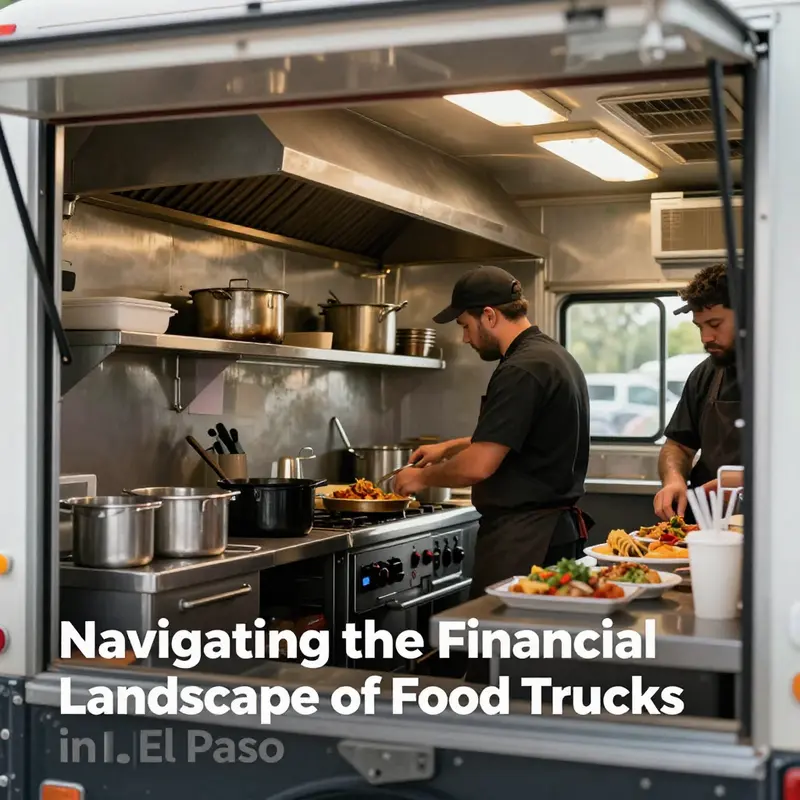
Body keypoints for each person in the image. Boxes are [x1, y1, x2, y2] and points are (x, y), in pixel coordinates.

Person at [393, 265, 592, 596]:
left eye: (465, 326)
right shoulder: (552, 356)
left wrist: (420, 478)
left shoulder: (520, 369)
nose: (465, 337)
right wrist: (453, 447)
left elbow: (478, 466)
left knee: (499, 642)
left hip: (524, 540)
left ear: (488, 315)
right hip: (553, 534)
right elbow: (522, 434)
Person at [654, 263, 743, 521]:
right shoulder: (705, 375)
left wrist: (738, 482)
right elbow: (678, 446)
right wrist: (673, 480)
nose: (706, 338)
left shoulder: (789, 375)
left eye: (715, 324)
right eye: (700, 327)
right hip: (707, 523)